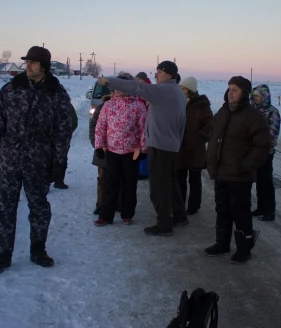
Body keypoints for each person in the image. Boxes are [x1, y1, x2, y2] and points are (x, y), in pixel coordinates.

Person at [0, 46, 73, 273]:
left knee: (39, 207)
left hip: (39, 161)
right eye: (27, 62)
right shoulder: (11, 90)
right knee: (5, 208)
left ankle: (38, 250)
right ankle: (2, 255)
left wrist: (59, 162)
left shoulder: (57, 94)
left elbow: (63, 132)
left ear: (44, 66)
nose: (28, 66)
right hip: (9, 160)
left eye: (33, 62)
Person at [98, 60, 187, 237]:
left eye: (159, 72)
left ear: (169, 75)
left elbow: (137, 88)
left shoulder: (165, 90)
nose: (156, 75)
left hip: (161, 146)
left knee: (159, 186)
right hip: (170, 145)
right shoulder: (177, 92)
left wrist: (110, 81)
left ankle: (164, 224)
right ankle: (179, 216)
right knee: (170, 182)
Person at [205, 76, 271, 263]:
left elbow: (263, 146)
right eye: (229, 88)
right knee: (222, 211)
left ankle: (244, 248)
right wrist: (210, 161)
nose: (230, 92)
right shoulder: (222, 113)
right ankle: (222, 243)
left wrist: (246, 166)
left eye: (235, 89)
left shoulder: (253, 116)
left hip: (240, 176)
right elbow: (213, 136)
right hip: (222, 174)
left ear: (244, 93)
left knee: (240, 212)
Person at [94, 72, 147, 226]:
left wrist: (143, 148)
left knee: (130, 183)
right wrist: (99, 145)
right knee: (111, 183)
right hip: (112, 151)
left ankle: (127, 213)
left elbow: (143, 128)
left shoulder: (138, 106)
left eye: (120, 85)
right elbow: (100, 126)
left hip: (132, 152)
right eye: (114, 85)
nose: (116, 88)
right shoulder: (108, 105)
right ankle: (106, 215)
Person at [177, 76, 213, 215]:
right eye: (180, 88)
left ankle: (193, 206)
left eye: (184, 88)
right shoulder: (177, 102)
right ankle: (179, 205)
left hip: (195, 149)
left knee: (195, 180)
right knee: (179, 179)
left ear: (190, 90)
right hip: (179, 147)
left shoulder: (202, 105)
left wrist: (200, 137)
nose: (181, 90)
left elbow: (210, 125)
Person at [250, 84, 281, 221]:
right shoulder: (253, 111)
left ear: (264, 97)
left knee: (266, 181)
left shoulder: (272, 112)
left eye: (258, 96)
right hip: (255, 151)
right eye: (254, 96)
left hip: (267, 152)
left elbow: (272, 133)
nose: (256, 98)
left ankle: (270, 210)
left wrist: (256, 139)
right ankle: (261, 207)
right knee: (259, 181)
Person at [89, 91, 113, 215]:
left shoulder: (132, 106)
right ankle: (101, 204)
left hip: (124, 151)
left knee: (122, 179)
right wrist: (97, 144)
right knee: (103, 178)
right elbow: (93, 126)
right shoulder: (102, 107)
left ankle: (118, 203)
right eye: (113, 91)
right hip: (103, 150)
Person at [53, 103, 78, 189]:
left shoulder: (66, 104)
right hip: (46, 139)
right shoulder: (44, 102)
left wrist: (67, 132)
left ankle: (59, 181)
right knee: (45, 160)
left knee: (61, 159)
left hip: (62, 138)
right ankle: (44, 182)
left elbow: (74, 121)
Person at [134, 71, 152, 180]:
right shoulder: (142, 89)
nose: (137, 82)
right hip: (142, 121)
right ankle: (142, 170)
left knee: (144, 147)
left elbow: (148, 107)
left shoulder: (148, 90)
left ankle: (144, 171)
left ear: (144, 80)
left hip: (146, 122)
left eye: (139, 80)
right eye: (136, 80)